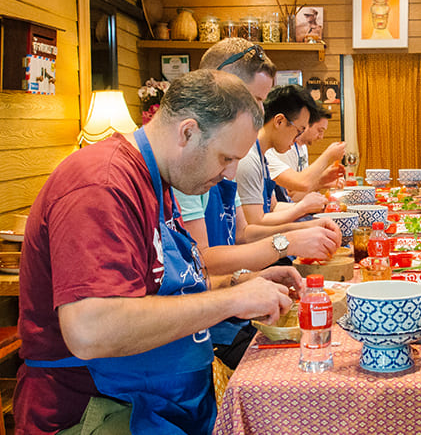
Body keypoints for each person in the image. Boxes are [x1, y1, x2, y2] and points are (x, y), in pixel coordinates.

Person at [15, 70, 301, 434]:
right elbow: (90, 329)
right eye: (225, 158)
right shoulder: (101, 185)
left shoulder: (160, 180)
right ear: (188, 132)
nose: (230, 174)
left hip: (160, 406)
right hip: (100, 411)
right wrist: (232, 302)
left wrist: (240, 283)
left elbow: (161, 291)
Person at [173, 39, 341, 368]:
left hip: (226, 309)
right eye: (255, 99)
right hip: (207, 332)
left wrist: (252, 277)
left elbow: (243, 233)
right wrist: (287, 240)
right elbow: (203, 261)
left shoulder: (230, 153)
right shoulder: (190, 162)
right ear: (215, 85)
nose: (258, 112)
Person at [237, 84, 331, 226]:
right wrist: (302, 207)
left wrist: (314, 206)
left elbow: (273, 207)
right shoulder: (248, 158)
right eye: (299, 131)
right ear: (279, 121)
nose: (297, 140)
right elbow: (255, 223)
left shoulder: (262, 155)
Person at [266, 104, 347, 200]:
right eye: (319, 131)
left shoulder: (302, 147)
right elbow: (293, 194)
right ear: (306, 124)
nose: (321, 137)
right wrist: (328, 155)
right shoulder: (284, 149)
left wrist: (323, 180)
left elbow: (304, 187)